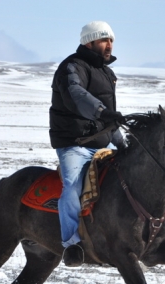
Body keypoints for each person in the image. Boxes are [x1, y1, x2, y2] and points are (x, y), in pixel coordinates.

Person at [50, 21, 128, 267]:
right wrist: (103, 112)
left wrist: (121, 142)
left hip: (104, 143)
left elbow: (109, 116)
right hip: (76, 144)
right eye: (104, 40)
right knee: (72, 188)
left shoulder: (107, 73)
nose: (109, 45)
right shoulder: (71, 67)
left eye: (111, 40)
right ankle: (71, 244)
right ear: (89, 42)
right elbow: (76, 95)